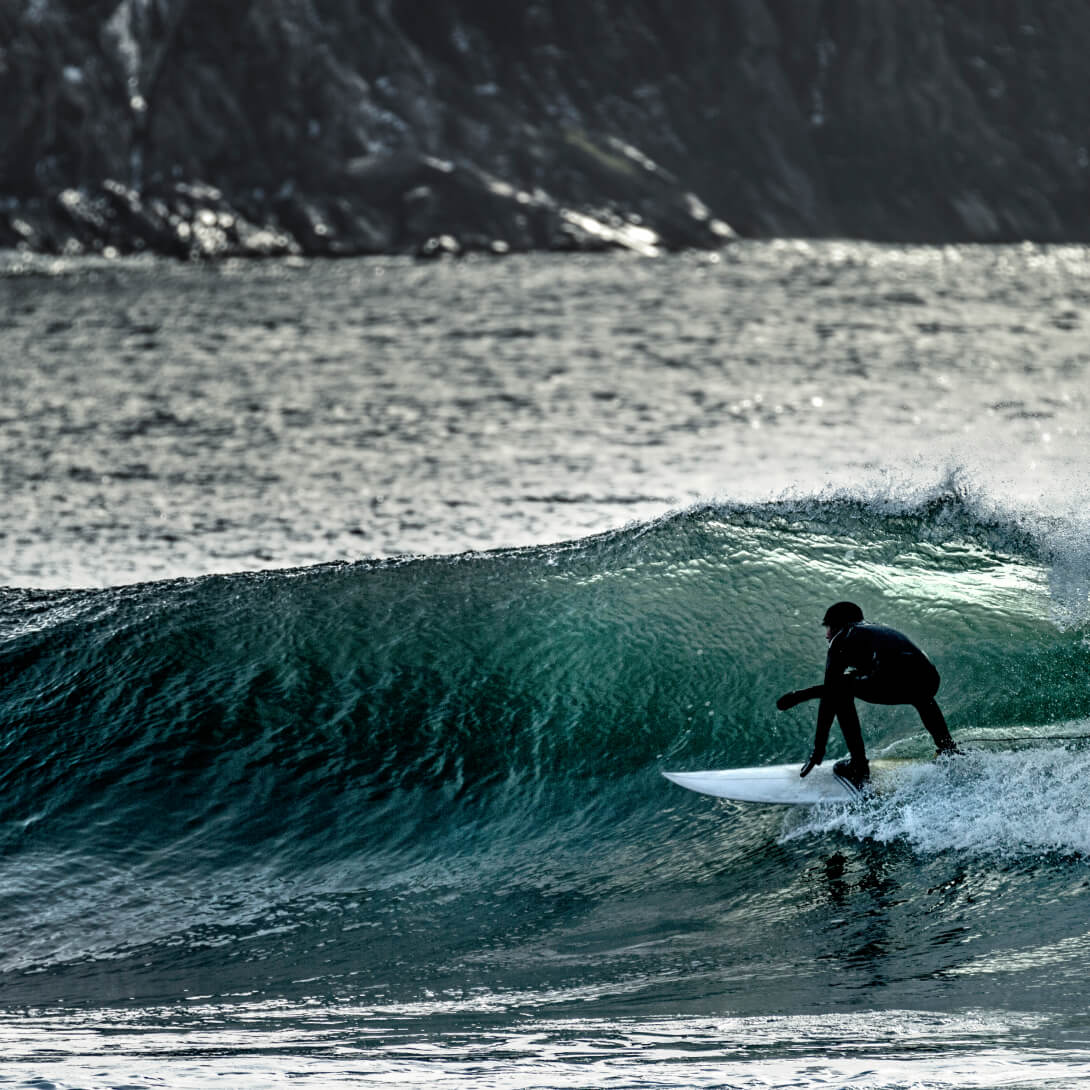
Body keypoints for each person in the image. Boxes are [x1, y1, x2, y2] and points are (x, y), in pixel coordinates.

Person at [775, 601, 958, 790]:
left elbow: (831, 692)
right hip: (929, 680)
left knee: (842, 688)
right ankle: (948, 750)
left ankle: (858, 765)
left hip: (893, 680)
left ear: (837, 625)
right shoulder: (878, 630)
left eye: (828, 627)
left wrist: (818, 748)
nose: (826, 635)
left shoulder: (842, 638)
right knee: (921, 698)